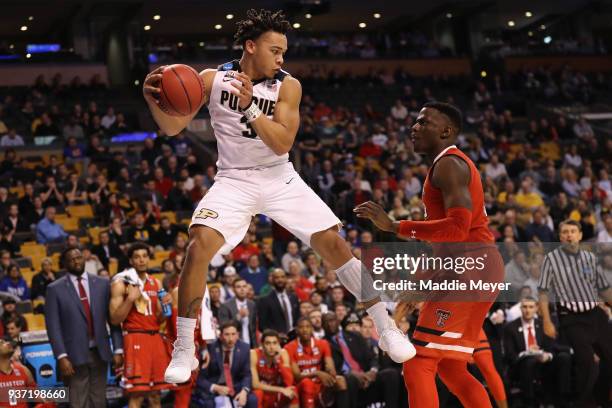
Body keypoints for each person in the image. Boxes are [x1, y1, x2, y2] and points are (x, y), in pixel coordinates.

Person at [144, 9, 414, 383]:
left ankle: (386, 329)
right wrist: (154, 100)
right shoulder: (210, 79)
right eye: (275, 50)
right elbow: (173, 128)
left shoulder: (289, 86)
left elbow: (282, 142)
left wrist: (250, 105)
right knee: (197, 245)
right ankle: (185, 349)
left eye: (284, 51)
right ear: (251, 46)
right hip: (234, 179)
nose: (281, 58)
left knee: (333, 244)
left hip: (279, 176)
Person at [355, 101, 505, 407]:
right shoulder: (447, 165)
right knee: (451, 367)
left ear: (447, 131)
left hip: (470, 265)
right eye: (416, 121)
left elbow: (457, 229)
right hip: (477, 264)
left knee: (417, 360)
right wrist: (419, 282)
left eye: (424, 123)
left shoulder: (449, 164)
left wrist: (394, 226)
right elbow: (446, 242)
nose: (415, 127)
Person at [538, 220, 612, 407]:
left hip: (595, 314)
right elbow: (543, 293)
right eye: (565, 232)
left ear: (579, 235)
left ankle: (601, 401)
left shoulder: (590, 258)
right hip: (572, 318)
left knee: (609, 360)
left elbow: (605, 290)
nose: (569, 234)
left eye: (572, 231)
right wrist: (547, 320)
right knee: (587, 363)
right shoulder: (551, 260)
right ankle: (582, 404)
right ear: (560, 236)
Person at [45, 247, 124, 408]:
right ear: (65, 264)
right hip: (73, 355)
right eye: (71, 259)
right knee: (78, 402)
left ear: (84, 259)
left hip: (100, 352)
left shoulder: (102, 283)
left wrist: (118, 349)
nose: (76, 261)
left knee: (99, 401)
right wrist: (61, 356)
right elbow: (53, 326)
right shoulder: (54, 289)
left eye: (79, 257)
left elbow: (113, 320)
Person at [109, 243, 173, 407]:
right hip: (135, 337)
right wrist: (130, 299)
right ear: (131, 261)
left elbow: (159, 319)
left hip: (155, 338)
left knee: (155, 396)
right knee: (137, 395)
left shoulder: (156, 283)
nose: (142, 260)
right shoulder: (121, 283)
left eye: (144, 256)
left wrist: (167, 308)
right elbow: (114, 320)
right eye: (137, 257)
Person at [322, 312, 401, 408]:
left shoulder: (355, 336)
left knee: (391, 374)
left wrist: (372, 371)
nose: (330, 324)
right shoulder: (323, 343)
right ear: (322, 325)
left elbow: (372, 358)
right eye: (326, 322)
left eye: (332, 320)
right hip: (348, 380)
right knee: (351, 379)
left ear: (338, 321)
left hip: (367, 377)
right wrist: (353, 374)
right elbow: (330, 368)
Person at [504, 297, 571, 407]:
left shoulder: (543, 324)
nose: (527, 310)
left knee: (564, 357)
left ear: (536, 308)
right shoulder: (510, 328)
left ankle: (562, 400)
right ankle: (530, 402)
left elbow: (551, 348)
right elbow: (510, 355)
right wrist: (528, 352)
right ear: (520, 308)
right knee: (530, 361)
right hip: (521, 365)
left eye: (531, 307)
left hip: (543, 363)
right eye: (525, 307)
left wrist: (547, 356)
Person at [284, 317, 348, 408]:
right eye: (301, 327)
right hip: (301, 384)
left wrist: (331, 373)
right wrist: (316, 373)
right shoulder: (289, 347)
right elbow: (297, 376)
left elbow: (329, 364)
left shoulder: (323, 343)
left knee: (340, 381)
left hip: (319, 383)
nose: (305, 330)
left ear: (312, 329)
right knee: (307, 383)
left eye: (307, 327)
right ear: (297, 330)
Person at [192, 321, 257, 407]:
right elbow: (200, 378)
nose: (231, 338)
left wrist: (244, 391)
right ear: (220, 336)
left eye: (233, 334)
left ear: (238, 335)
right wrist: (215, 387)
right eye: (227, 334)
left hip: (235, 386)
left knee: (252, 399)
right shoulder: (209, 349)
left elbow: (247, 375)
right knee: (208, 403)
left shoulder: (244, 348)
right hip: (215, 386)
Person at [250, 329, 298, 408]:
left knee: (293, 391)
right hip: (263, 393)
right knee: (257, 393)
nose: (271, 347)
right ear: (262, 344)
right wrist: (280, 389)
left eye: (275, 343)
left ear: (279, 344)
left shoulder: (283, 353)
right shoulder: (254, 354)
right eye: (268, 343)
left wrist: (278, 361)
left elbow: (289, 382)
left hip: (275, 394)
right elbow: (255, 384)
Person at [257, 269, 299, 336]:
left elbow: (297, 319)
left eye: (282, 277)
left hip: (294, 338)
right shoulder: (265, 300)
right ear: (272, 280)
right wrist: (276, 335)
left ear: (286, 279)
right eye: (277, 278)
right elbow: (262, 326)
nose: (280, 280)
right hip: (276, 340)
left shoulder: (293, 297)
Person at [218, 278, 258, 347]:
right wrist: (238, 317)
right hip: (233, 345)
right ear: (233, 289)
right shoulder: (225, 306)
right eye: (238, 287)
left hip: (251, 345)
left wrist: (255, 345)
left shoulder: (252, 304)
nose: (242, 289)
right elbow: (223, 327)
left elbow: (253, 328)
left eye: (244, 286)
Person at [0, 336, 37, 408]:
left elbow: (35, 395)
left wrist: (46, 401)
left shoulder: (23, 370)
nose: (8, 343)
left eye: (6, 341)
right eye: (1, 343)